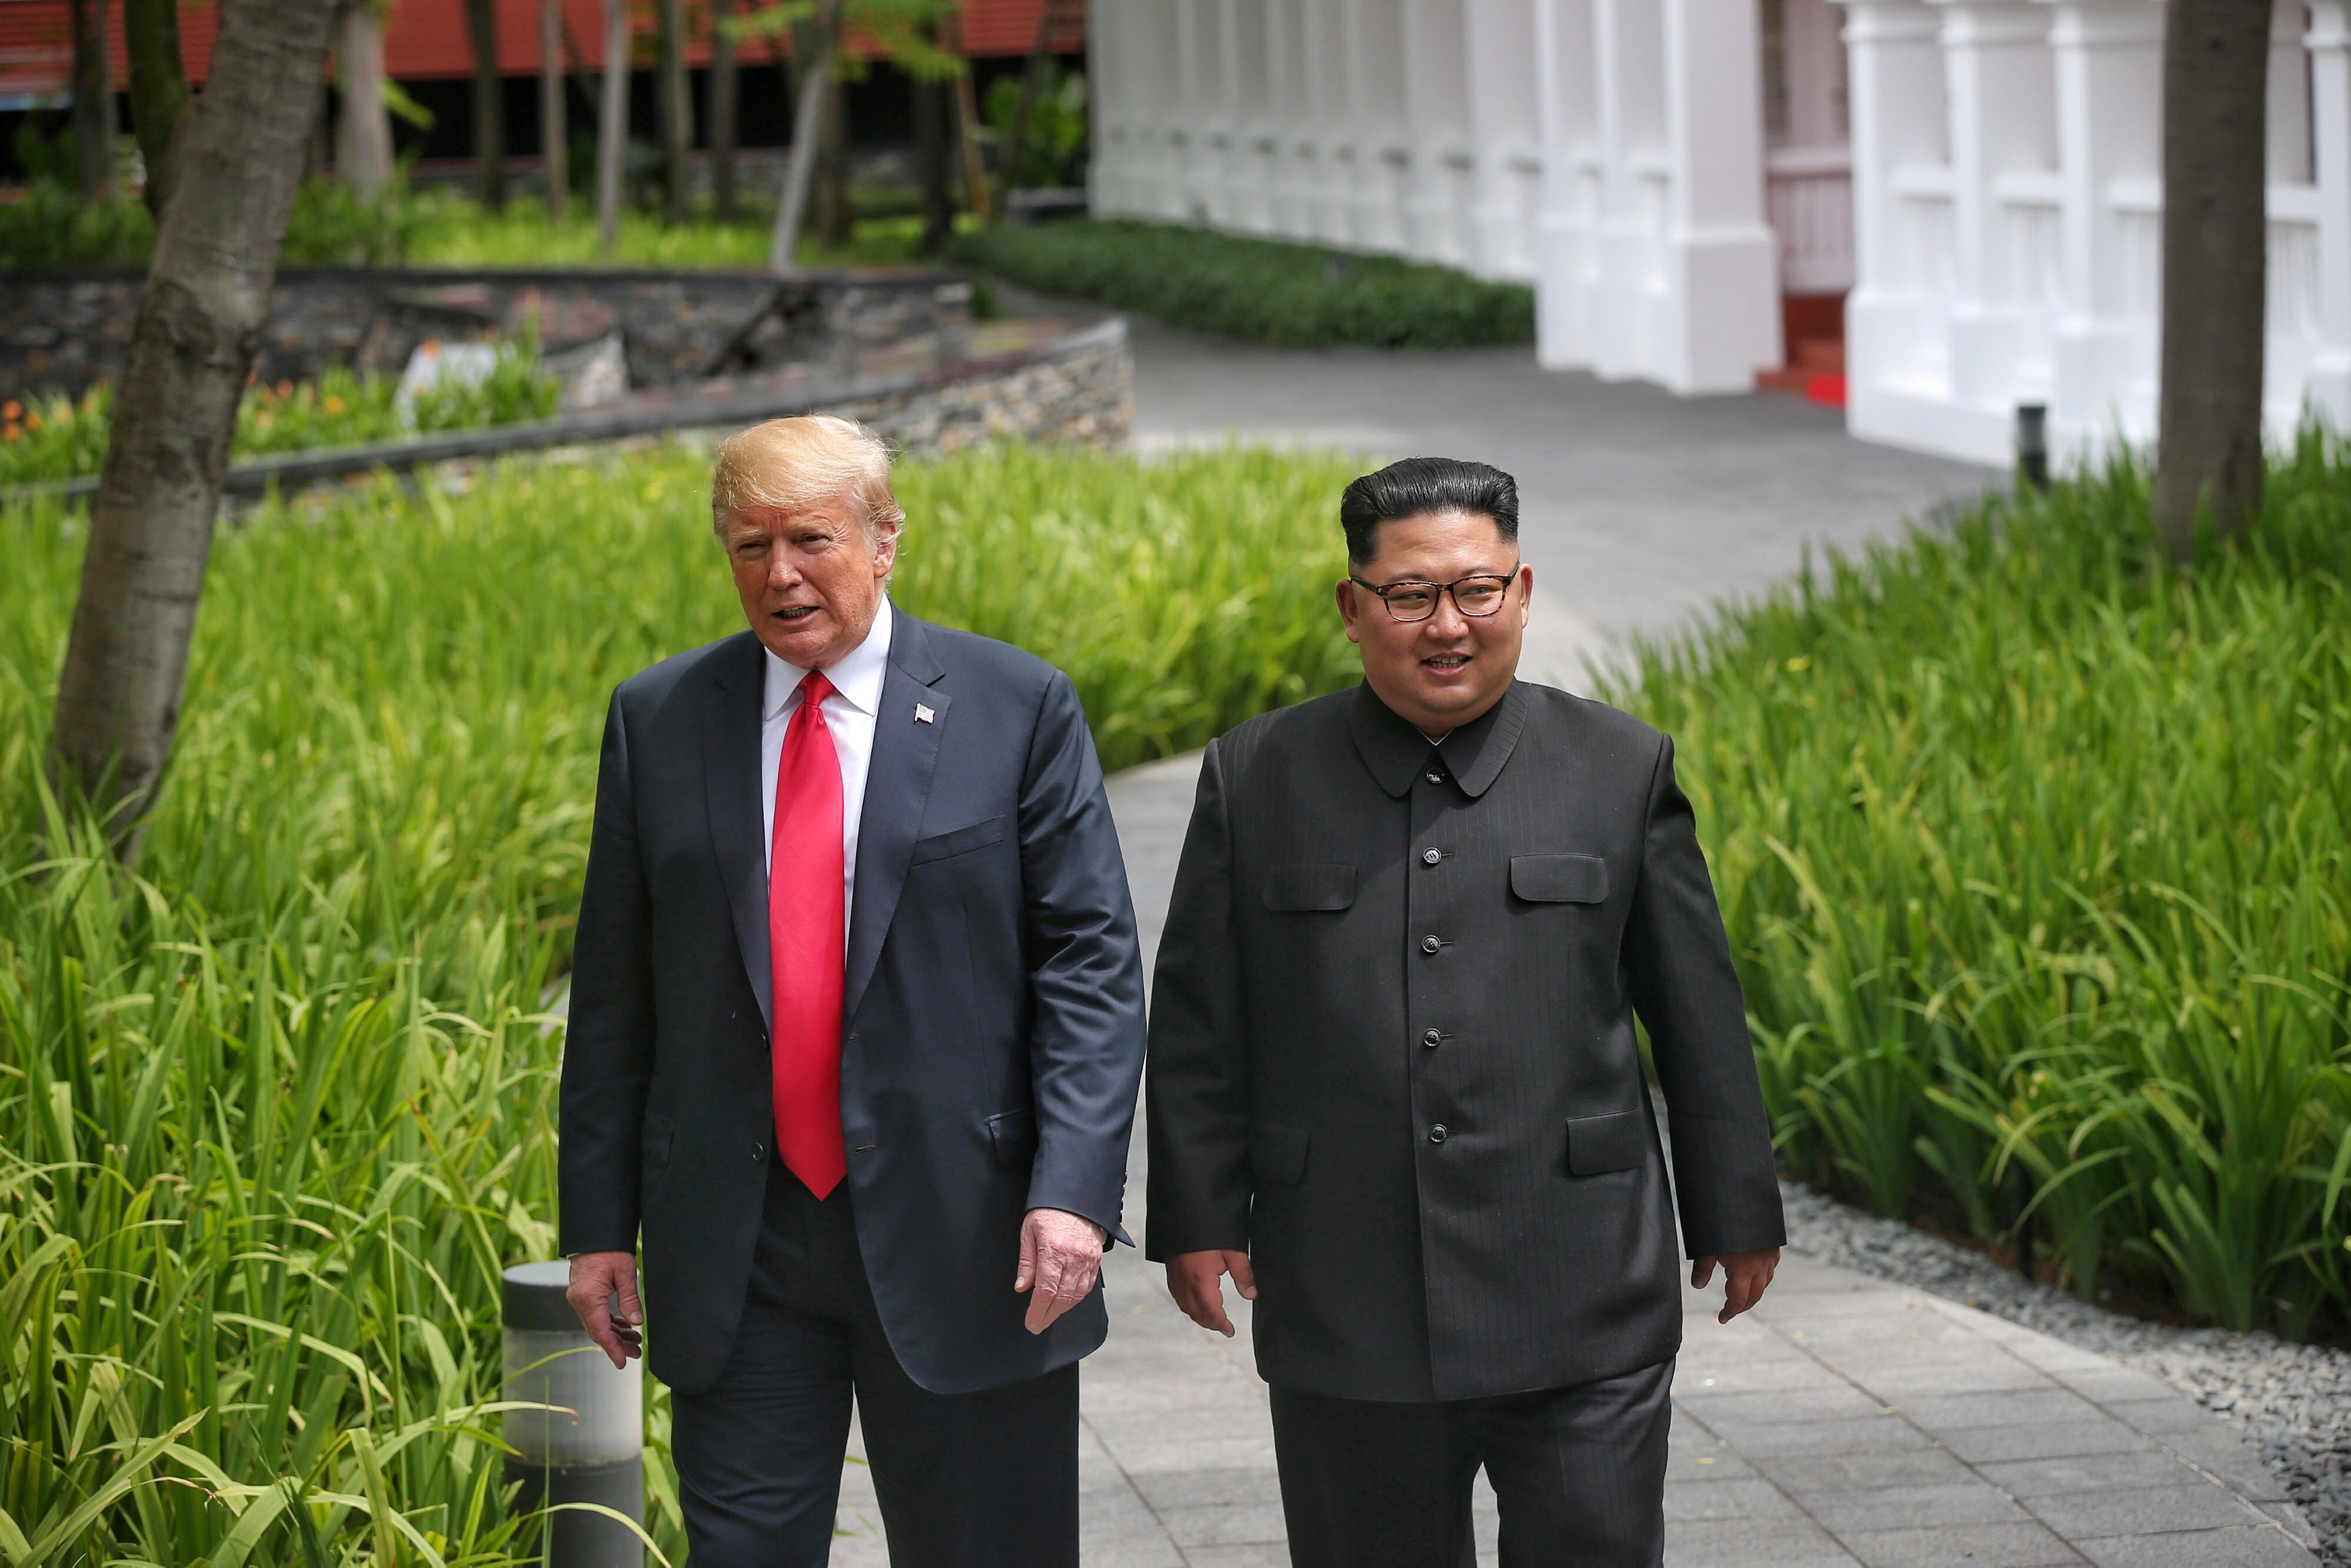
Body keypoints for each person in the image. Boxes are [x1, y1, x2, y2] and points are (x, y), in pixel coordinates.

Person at [1145, 456, 1785, 1567]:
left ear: (1523, 592)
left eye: (1478, 591)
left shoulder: (1618, 767)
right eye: (1410, 595)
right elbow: (1203, 1020)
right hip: (1347, 1292)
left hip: (1581, 1282)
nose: (1448, 624)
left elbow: (1698, 1014)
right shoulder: (1258, 777)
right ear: (1354, 607)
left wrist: (1738, 1208)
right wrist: (1198, 1216)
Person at [559, 415, 1146, 1567]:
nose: (780, 575)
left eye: (811, 539)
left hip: (974, 1237)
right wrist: (596, 1226)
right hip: (741, 1243)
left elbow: (1090, 965)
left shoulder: (1015, 705)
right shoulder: (660, 719)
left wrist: (1074, 1191)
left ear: (886, 540)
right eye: (748, 546)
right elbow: (617, 993)